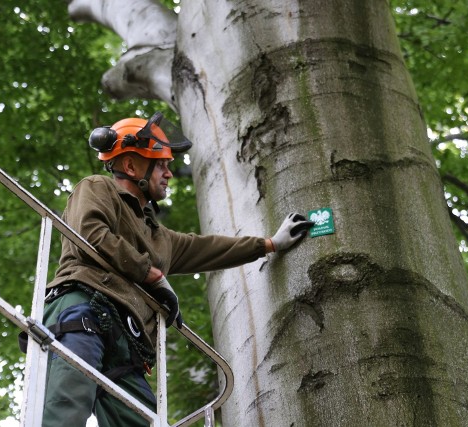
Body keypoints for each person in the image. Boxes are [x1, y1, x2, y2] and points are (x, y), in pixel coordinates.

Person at [41, 112, 313, 427]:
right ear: (131, 166)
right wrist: (150, 274)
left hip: (128, 341)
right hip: (84, 309)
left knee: (143, 421)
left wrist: (269, 244)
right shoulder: (98, 189)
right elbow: (89, 232)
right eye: (162, 165)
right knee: (68, 404)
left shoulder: (158, 237)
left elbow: (208, 248)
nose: (169, 173)